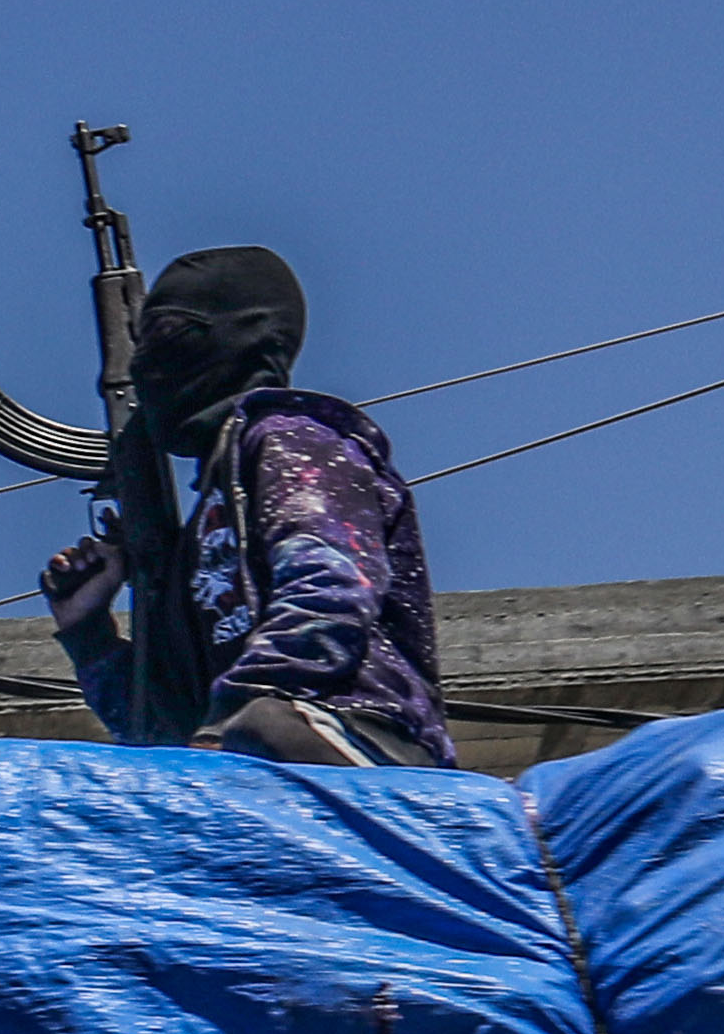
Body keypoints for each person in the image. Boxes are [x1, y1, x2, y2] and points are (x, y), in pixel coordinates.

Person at [34, 246, 455, 770]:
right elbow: (156, 732)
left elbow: (329, 590)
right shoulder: (204, 526)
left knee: (263, 727)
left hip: (359, 737)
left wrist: (228, 727)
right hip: (255, 766)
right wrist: (88, 629)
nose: (149, 365)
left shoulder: (291, 440)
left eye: (170, 334)